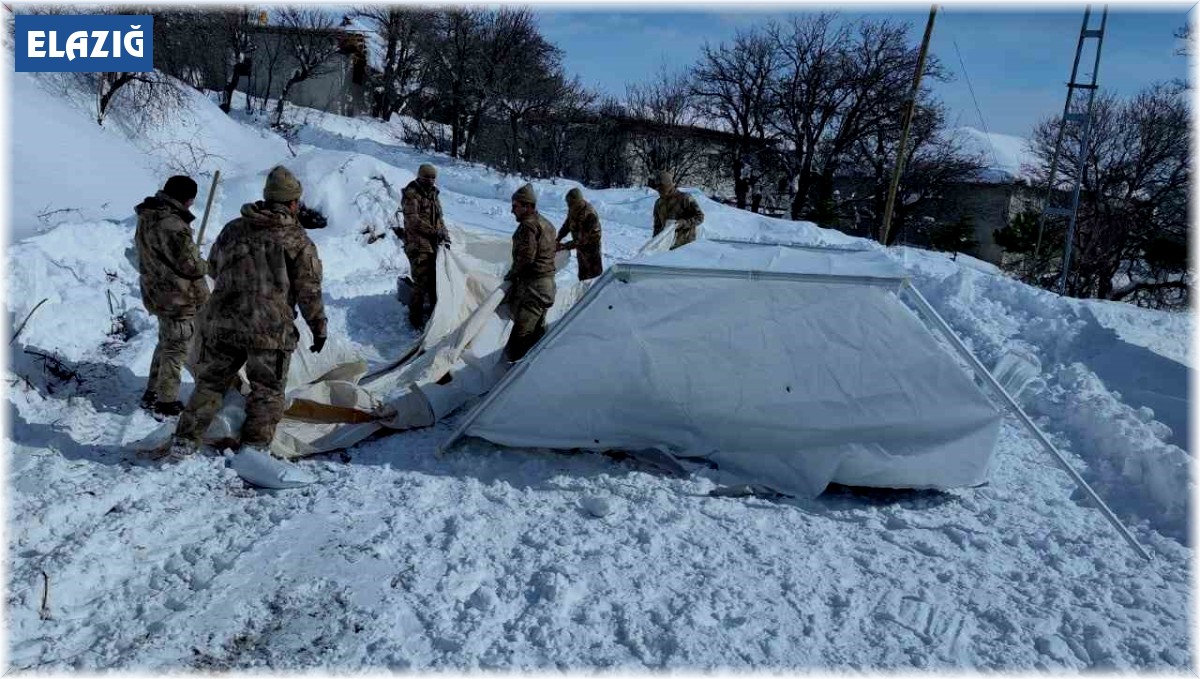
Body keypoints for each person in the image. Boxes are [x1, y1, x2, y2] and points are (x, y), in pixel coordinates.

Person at [167, 165, 327, 460]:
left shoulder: (233, 229)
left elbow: (212, 267)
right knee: (266, 391)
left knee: (211, 383)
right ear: (293, 203)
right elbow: (309, 290)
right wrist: (318, 326)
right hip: (270, 331)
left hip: (224, 324)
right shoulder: (296, 240)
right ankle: (254, 450)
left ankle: (185, 439)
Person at [134, 175, 209, 417]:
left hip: (156, 290)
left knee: (166, 341)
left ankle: (153, 391)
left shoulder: (148, 216)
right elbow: (190, 265)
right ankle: (166, 401)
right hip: (176, 296)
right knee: (176, 348)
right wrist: (203, 264)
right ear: (187, 199)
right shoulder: (173, 225)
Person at [504, 183, 557, 362]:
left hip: (534, 288)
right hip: (547, 286)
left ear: (527, 206)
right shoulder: (546, 223)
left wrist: (511, 274)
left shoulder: (529, 226)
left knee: (522, 336)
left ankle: (515, 378)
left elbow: (526, 258)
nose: (512, 211)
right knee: (536, 332)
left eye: (515, 206)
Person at [399, 163, 450, 328]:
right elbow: (413, 221)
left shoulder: (433, 194)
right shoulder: (411, 194)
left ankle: (434, 316)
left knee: (436, 281)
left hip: (432, 245)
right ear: (419, 176)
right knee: (421, 283)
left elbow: (439, 219)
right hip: (417, 245)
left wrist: (446, 237)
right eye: (427, 177)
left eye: (433, 177)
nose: (430, 180)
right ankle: (415, 319)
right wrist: (435, 232)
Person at [555, 188, 603, 281]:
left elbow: (582, 240)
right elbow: (567, 224)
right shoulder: (573, 208)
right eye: (568, 203)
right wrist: (558, 238)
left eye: (570, 203)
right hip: (580, 246)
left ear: (577, 202)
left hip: (591, 247)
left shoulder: (589, 215)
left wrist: (564, 246)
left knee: (594, 278)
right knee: (583, 275)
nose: (568, 206)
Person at [651, 170, 705, 250]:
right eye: (657, 187)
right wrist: (654, 244)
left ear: (668, 185)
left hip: (685, 247)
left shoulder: (684, 198)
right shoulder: (658, 203)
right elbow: (657, 226)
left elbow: (700, 217)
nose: (658, 190)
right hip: (666, 248)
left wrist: (683, 223)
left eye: (661, 187)